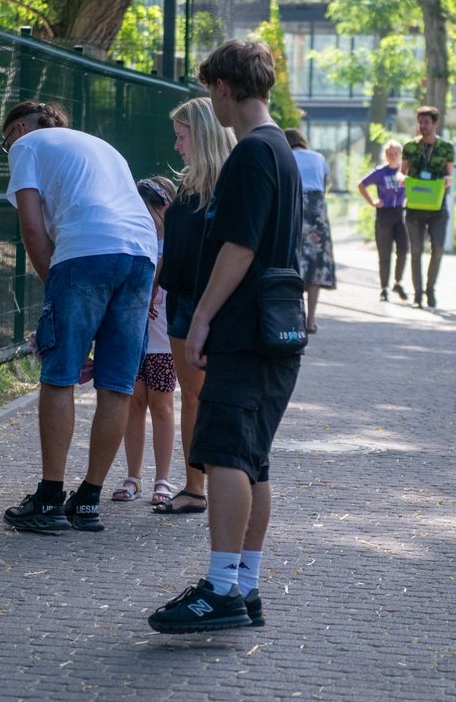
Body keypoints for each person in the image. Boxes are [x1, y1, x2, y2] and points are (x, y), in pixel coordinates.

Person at [147, 39, 303, 633]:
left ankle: (219, 591)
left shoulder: (250, 154)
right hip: (275, 327)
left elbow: (239, 247)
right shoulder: (281, 149)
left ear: (221, 88)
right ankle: (245, 585)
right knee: (252, 459)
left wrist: (203, 317)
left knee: (226, 456)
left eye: (209, 88)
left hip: (243, 329)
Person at [0, 100, 157, 534]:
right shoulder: (102, 147)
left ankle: (49, 499)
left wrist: (54, 288)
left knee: (60, 375)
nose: (7, 150)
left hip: (86, 249)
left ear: (16, 129)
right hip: (141, 254)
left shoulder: (26, 145)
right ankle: (88, 500)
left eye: (4, 141)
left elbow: (32, 228)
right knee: (116, 382)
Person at [152, 96, 236, 515]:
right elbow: (173, 244)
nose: (176, 146)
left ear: (201, 135)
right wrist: (155, 287)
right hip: (180, 301)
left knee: (213, 397)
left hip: (214, 305)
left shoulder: (231, 183)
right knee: (192, 397)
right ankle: (194, 487)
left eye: (181, 136)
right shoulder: (186, 184)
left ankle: (218, 485)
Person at [112, 177, 178, 507]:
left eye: (148, 207)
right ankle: (133, 476)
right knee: (134, 404)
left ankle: (163, 479)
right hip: (135, 336)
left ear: (164, 206)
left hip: (164, 342)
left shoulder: (177, 243)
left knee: (162, 407)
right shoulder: (136, 240)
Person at [401, 106, 454, 309]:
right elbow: (401, 172)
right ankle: (417, 294)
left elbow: (449, 174)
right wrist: (402, 179)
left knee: (438, 248)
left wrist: (448, 180)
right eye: (420, 122)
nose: (422, 126)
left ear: (435, 123)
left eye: (426, 122)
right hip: (414, 207)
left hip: (437, 207)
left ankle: (430, 289)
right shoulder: (410, 147)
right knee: (415, 251)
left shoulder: (446, 147)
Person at [285, 128, 336, 333]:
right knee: (316, 264)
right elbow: (325, 184)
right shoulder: (318, 157)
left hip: (294, 205)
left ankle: (295, 316)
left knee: (293, 260)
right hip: (317, 209)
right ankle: (310, 321)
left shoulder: (287, 155)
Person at [357, 140, 410, 302]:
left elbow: (414, 186)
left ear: (401, 155)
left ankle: (397, 282)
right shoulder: (380, 172)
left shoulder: (405, 171)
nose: (393, 156)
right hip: (384, 213)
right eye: (390, 153)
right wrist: (372, 201)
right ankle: (384, 288)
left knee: (402, 249)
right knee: (384, 253)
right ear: (385, 155)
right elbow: (361, 184)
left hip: (400, 213)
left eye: (396, 153)